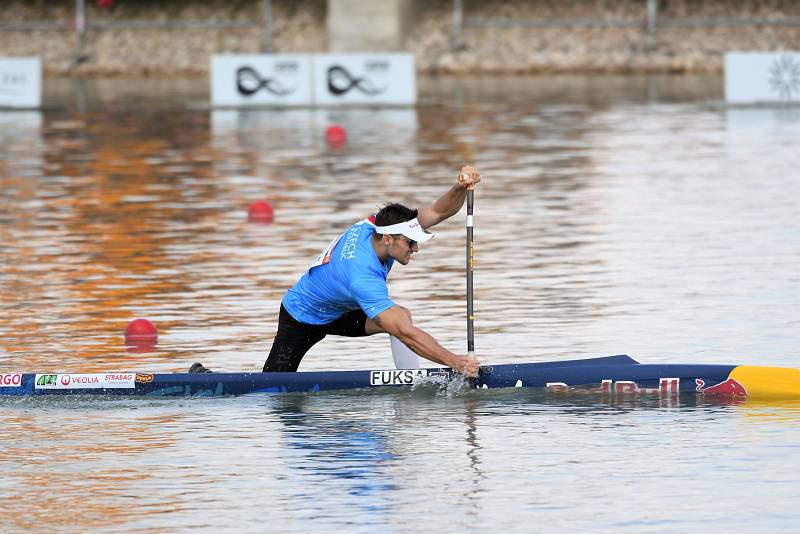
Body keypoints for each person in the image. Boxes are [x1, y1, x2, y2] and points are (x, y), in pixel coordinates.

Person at [190, 165, 482, 376]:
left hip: (341, 311)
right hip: (301, 316)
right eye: (411, 243)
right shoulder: (362, 274)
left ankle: (410, 381)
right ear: (389, 239)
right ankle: (203, 378)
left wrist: (459, 187)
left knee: (401, 315)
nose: (415, 249)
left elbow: (438, 212)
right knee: (272, 390)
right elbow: (406, 334)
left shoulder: (374, 224)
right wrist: (455, 361)